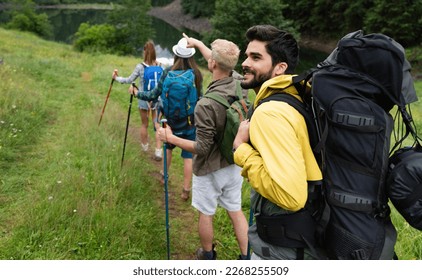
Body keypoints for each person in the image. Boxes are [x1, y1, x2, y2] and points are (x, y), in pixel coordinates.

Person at [232, 25, 323, 260]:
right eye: (246, 55)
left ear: (279, 68)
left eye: (256, 57)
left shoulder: (271, 111)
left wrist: (241, 150)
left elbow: (290, 197)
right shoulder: (296, 98)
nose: (245, 63)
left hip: (282, 249)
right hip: (303, 240)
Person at [156, 34, 248, 260]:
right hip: (234, 161)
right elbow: (216, 59)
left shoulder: (205, 105)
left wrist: (170, 138)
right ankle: (246, 257)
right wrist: (197, 43)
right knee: (235, 210)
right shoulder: (241, 83)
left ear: (213, 64)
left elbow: (203, 147)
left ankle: (207, 255)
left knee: (206, 213)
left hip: (210, 169)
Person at [130, 38, 203, 202]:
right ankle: (185, 190)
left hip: (170, 121)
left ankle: (164, 176)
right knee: (188, 156)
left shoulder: (168, 72)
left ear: (176, 54)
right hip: (190, 123)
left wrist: (137, 93)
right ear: (191, 55)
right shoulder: (196, 74)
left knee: (168, 148)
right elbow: (200, 98)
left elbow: (153, 94)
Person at [112, 40, 163, 161]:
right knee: (157, 125)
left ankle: (145, 147)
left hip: (143, 98)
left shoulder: (140, 67)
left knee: (144, 124)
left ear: (145, 52)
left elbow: (129, 80)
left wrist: (116, 78)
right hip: (157, 98)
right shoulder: (160, 66)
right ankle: (158, 151)